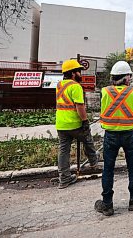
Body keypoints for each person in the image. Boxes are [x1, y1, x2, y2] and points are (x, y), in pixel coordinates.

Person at [95, 61, 133, 216]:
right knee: (132, 166)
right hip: (129, 134)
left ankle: (107, 204)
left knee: (108, 169)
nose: (130, 78)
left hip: (111, 135)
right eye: (129, 76)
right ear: (126, 77)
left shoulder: (104, 91)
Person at [55, 59, 99, 189]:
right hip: (75, 124)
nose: (81, 74)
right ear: (73, 73)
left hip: (61, 124)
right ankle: (94, 164)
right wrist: (85, 121)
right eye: (79, 71)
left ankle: (64, 179)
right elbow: (80, 107)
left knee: (63, 151)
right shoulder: (75, 86)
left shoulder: (59, 85)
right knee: (88, 140)